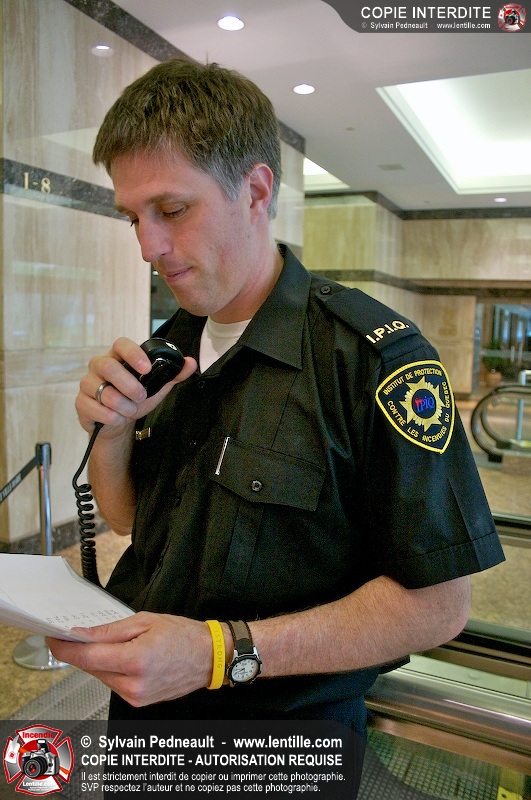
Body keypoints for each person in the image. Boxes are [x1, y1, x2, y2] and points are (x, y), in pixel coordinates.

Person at [48, 59, 504, 733]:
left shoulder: (370, 358)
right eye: (133, 218)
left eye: (171, 210)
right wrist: (112, 432)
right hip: (145, 722)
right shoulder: (168, 346)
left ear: (256, 191)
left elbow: (438, 605)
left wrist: (218, 653)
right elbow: (129, 519)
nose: (148, 246)